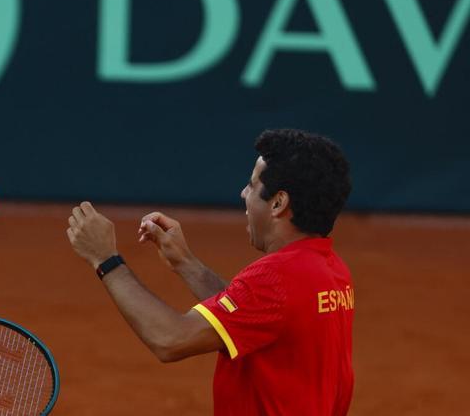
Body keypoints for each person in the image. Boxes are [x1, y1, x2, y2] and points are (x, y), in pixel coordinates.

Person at [66, 128, 354, 415]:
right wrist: (185, 263)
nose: (244, 193)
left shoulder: (276, 278)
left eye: (252, 186)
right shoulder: (331, 270)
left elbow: (170, 339)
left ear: (278, 203)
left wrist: (105, 258)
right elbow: (253, 317)